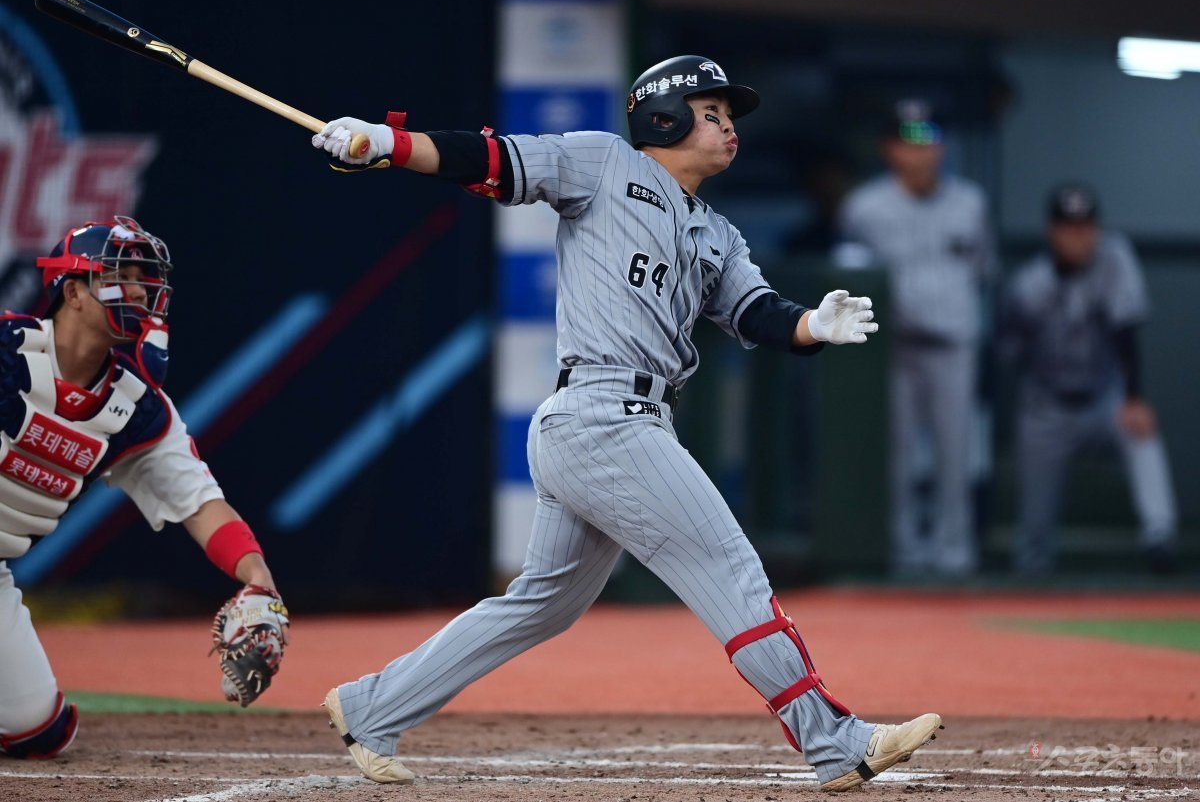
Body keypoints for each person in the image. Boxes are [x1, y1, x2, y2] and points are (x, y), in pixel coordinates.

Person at [312, 55, 941, 791]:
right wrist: (387, 144)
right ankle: (832, 740)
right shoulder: (604, 162)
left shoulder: (718, 232)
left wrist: (812, 325)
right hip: (603, 414)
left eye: (730, 116)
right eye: (713, 113)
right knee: (731, 570)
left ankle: (373, 706)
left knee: (542, 604)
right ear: (663, 118)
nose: (729, 127)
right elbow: (490, 159)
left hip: (618, 423)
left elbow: (755, 312)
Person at [0, 217, 289, 759]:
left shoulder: (137, 408)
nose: (138, 290)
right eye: (120, 275)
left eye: (144, 278)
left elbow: (201, 505)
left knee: (39, 731)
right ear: (72, 291)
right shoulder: (7, 349)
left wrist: (259, 583)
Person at [837, 99, 995, 577]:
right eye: (908, 141)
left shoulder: (971, 203)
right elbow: (848, 277)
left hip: (954, 345)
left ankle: (954, 552)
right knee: (898, 455)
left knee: (956, 453)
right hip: (895, 346)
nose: (920, 151)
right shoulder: (864, 207)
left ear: (942, 147)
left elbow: (984, 272)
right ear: (890, 149)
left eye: (929, 140)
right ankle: (903, 549)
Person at [1001, 184, 1178, 575]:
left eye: (1086, 226)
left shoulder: (1115, 257)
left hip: (1103, 400)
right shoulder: (1029, 285)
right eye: (1069, 227)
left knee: (1140, 429)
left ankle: (1159, 536)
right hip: (1046, 408)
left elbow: (1127, 331)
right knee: (1033, 538)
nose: (1079, 237)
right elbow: (1009, 351)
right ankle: (1031, 583)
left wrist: (1134, 397)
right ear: (1052, 231)